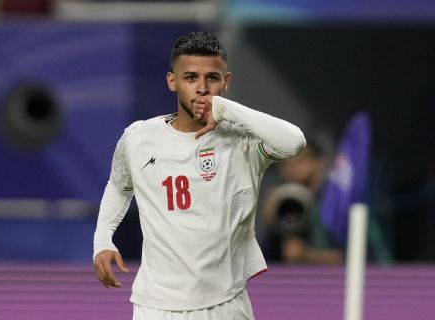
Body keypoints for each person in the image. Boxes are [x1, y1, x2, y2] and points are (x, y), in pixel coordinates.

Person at [93, 31, 306, 320]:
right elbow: (118, 186)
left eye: (212, 78)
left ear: (226, 82)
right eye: (191, 77)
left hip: (225, 303)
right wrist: (103, 239)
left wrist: (226, 109)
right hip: (156, 306)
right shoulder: (138, 138)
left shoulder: (243, 142)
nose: (202, 88)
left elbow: (294, 142)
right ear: (172, 81)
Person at [260, 138, 343, 264]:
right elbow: (266, 258)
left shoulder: (336, 203)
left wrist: (307, 255)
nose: (290, 169)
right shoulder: (284, 202)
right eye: (285, 164)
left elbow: (354, 257)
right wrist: (272, 222)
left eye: (298, 161)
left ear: (319, 163)